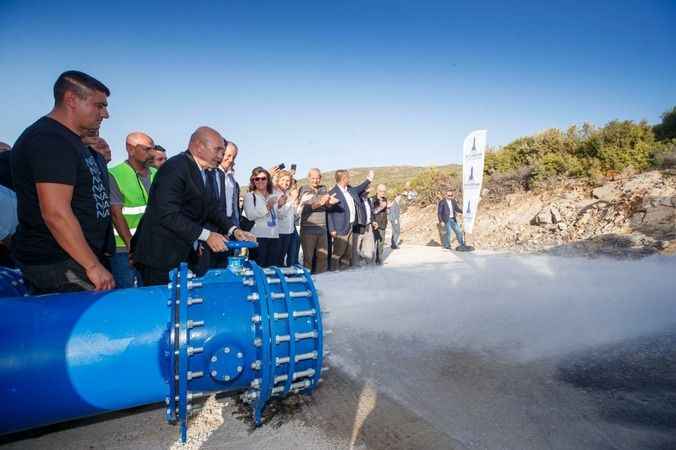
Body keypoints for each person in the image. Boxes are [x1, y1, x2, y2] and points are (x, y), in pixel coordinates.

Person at [11, 70, 115, 293]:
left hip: (77, 258)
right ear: (71, 100)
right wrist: (92, 265)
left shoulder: (73, 141)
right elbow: (55, 212)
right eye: (99, 105)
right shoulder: (50, 140)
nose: (105, 114)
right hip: (60, 263)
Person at [132, 127, 255, 286]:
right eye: (217, 150)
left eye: (222, 151)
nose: (221, 156)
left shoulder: (204, 171)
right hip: (159, 257)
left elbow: (211, 208)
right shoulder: (175, 167)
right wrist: (207, 236)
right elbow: (167, 214)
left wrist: (234, 230)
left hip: (181, 254)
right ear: (198, 146)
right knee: (164, 306)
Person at [108, 132, 156, 287]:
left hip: (151, 247)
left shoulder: (157, 174)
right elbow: (116, 215)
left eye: (153, 149)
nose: (152, 153)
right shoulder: (115, 174)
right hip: (124, 249)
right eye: (147, 149)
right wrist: (132, 248)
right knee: (128, 294)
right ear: (131, 149)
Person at [205, 139, 242, 268]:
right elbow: (208, 207)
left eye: (234, 156)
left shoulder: (232, 180)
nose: (230, 159)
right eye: (228, 155)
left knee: (227, 266)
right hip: (212, 230)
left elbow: (234, 208)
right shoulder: (209, 173)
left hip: (230, 228)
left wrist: (234, 228)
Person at [327, 169, 373, 270]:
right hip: (340, 227)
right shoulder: (333, 192)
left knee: (348, 250)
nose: (350, 179)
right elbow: (329, 213)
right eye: (348, 177)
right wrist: (331, 229)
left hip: (351, 225)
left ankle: (344, 269)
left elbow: (360, 188)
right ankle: (333, 270)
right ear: (344, 178)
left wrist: (369, 179)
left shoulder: (350, 190)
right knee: (339, 251)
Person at [298, 168, 337, 273]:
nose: (315, 180)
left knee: (323, 256)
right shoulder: (304, 189)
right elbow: (308, 206)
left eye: (317, 178)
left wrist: (330, 203)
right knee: (308, 258)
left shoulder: (324, 188)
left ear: (320, 178)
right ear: (309, 178)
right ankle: (308, 281)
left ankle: (322, 279)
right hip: (308, 229)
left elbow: (326, 206)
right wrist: (323, 201)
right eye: (313, 178)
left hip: (322, 228)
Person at [243, 167, 280, 267]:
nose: (260, 181)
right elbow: (250, 215)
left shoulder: (273, 194)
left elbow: (277, 215)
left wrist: (280, 206)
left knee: (272, 269)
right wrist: (267, 207)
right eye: (257, 179)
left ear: (268, 180)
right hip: (258, 237)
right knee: (258, 269)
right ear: (253, 181)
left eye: (263, 178)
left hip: (274, 236)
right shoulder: (250, 196)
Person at [274, 170, 297, 266]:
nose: (285, 182)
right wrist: (292, 200)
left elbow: (293, 214)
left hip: (289, 231)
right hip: (279, 231)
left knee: (283, 257)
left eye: (288, 180)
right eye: (283, 180)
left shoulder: (288, 194)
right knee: (277, 258)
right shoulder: (276, 194)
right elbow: (279, 214)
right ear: (278, 181)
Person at [371, 184, 388, 264]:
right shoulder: (372, 199)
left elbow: (385, 211)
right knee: (373, 243)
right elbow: (372, 212)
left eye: (384, 191)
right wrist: (381, 207)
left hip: (383, 224)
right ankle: (371, 259)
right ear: (377, 191)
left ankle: (379, 259)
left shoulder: (385, 199)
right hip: (375, 224)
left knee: (381, 243)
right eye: (381, 191)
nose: (383, 193)